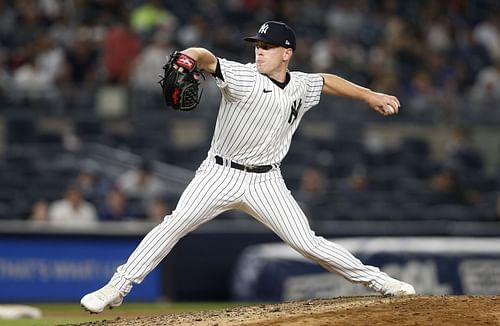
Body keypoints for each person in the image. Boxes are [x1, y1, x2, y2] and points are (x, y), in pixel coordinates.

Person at [81, 21, 415, 313]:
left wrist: (369, 94)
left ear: (287, 53)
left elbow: (326, 80)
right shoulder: (242, 76)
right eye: (257, 45)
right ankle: (117, 287)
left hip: (266, 181)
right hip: (219, 174)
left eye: (267, 47)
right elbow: (207, 58)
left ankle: (380, 281)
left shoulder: (299, 84)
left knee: (308, 243)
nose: (259, 51)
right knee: (174, 224)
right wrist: (189, 56)